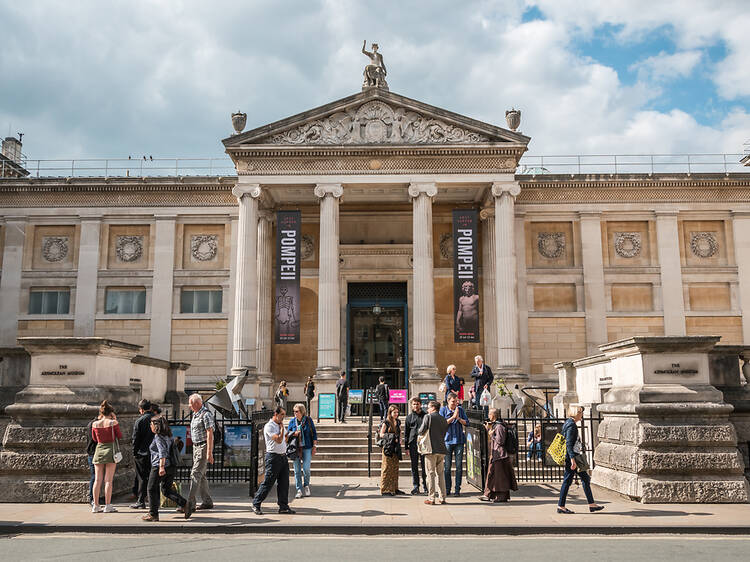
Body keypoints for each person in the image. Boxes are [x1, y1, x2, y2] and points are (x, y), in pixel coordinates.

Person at [142, 416, 192, 521]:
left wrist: (161, 467)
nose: (150, 426)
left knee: (151, 488)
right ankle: (185, 504)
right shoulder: (168, 435)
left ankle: (153, 514)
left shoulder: (158, 437)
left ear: (156, 426)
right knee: (166, 490)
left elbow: (162, 452)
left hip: (159, 466)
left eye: (151, 424)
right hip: (171, 466)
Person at [557, 405, 604, 514]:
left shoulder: (569, 423)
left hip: (575, 456)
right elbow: (568, 444)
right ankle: (561, 506)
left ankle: (591, 504)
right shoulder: (571, 425)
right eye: (580, 412)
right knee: (568, 481)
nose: (582, 414)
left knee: (584, 479)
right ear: (576, 413)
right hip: (573, 457)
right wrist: (572, 460)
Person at [252, 407, 295, 515]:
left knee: (284, 483)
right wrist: (281, 431)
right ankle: (256, 503)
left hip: (283, 457)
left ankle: (283, 506)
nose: (283, 417)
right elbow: (279, 439)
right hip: (273, 457)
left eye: (284, 415)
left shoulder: (280, 425)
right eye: (282, 415)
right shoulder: (269, 426)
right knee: (268, 482)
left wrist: (285, 435)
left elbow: (284, 438)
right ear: (276, 414)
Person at [479, 409, 518, 502]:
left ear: (494, 415)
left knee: (500, 477)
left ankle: (500, 497)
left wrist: (491, 435)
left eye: (490, 414)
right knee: (492, 475)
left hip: (500, 455)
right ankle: (488, 494)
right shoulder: (496, 425)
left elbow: (500, 441)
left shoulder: (499, 426)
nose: (488, 415)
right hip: (495, 454)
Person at [91, 400, 122, 513]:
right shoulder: (113, 423)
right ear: (111, 412)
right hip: (110, 451)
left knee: (97, 480)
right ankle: (108, 505)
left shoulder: (95, 424)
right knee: (108, 480)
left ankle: (96, 505)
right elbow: (119, 436)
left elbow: (94, 439)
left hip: (99, 450)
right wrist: (115, 420)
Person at [187, 393, 214, 511]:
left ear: (198, 403)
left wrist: (209, 452)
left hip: (203, 447)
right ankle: (207, 501)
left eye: (191, 404)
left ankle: (189, 504)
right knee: (201, 476)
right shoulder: (195, 414)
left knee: (195, 474)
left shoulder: (205, 414)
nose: (189, 406)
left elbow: (210, 433)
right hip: (196, 447)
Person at [418, 401, 449, 505]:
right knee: (440, 474)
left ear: (432, 408)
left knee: (430, 474)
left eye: (428, 407)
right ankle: (442, 497)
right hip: (441, 448)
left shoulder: (428, 417)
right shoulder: (443, 419)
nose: (427, 409)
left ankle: (431, 498)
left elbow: (421, 430)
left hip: (431, 449)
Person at [440, 392, 468, 497]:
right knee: (447, 467)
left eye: (456, 402)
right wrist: (453, 417)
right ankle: (447, 488)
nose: (455, 404)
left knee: (459, 466)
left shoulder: (460, 410)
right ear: (448, 401)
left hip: (459, 441)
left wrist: (459, 418)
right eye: (453, 402)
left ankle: (457, 489)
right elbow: (442, 423)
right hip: (447, 440)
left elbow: (467, 422)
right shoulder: (443, 410)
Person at [287, 403, 318, 499]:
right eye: (294, 411)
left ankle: (306, 485)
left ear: (302, 412)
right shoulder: (292, 422)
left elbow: (314, 433)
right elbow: (287, 434)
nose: (295, 413)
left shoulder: (308, 420)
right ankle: (299, 489)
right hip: (295, 448)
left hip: (307, 447)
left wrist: (314, 446)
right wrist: (294, 433)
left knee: (306, 468)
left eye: (296, 411)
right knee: (296, 470)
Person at [130, 399, 153, 509]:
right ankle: (154, 500)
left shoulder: (140, 421)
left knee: (142, 477)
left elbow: (135, 439)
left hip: (142, 453)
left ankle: (141, 500)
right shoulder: (158, 419)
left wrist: (134, 452)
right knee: (153, 477)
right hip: (155, 453)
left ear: (141, 409)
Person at [403, 397, 427, 495]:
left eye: (417, 404)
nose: (415, 406)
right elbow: (406, 433)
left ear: (420, 404)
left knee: (424, 466)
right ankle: (416, 486)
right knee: (414, 466)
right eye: (414, 404)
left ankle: (426, 486)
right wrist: (406, 447)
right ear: (411, 405)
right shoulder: (409, 417)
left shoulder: (426, 416)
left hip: (423, 443)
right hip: (413, 443)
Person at [379, 404, 403, 496]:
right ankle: (385, 489)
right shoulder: (386, 422)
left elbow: (400, 432)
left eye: (397, 412)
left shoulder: (398, 421)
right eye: (394, 412)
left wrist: (400, 440)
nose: (396, 414)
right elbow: (381, 434)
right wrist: (392, 437)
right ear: (390, 412)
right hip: (388, 447)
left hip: (396, 447)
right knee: (386, 468)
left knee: (395, 468)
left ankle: (394, 488)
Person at [85, 414, 99, 508]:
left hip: (92, 452)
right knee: (95, 477)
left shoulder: (91, 423)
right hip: (94, 453)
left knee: (95, 476)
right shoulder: (95, 424)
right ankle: (92, 498)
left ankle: (94, 498)